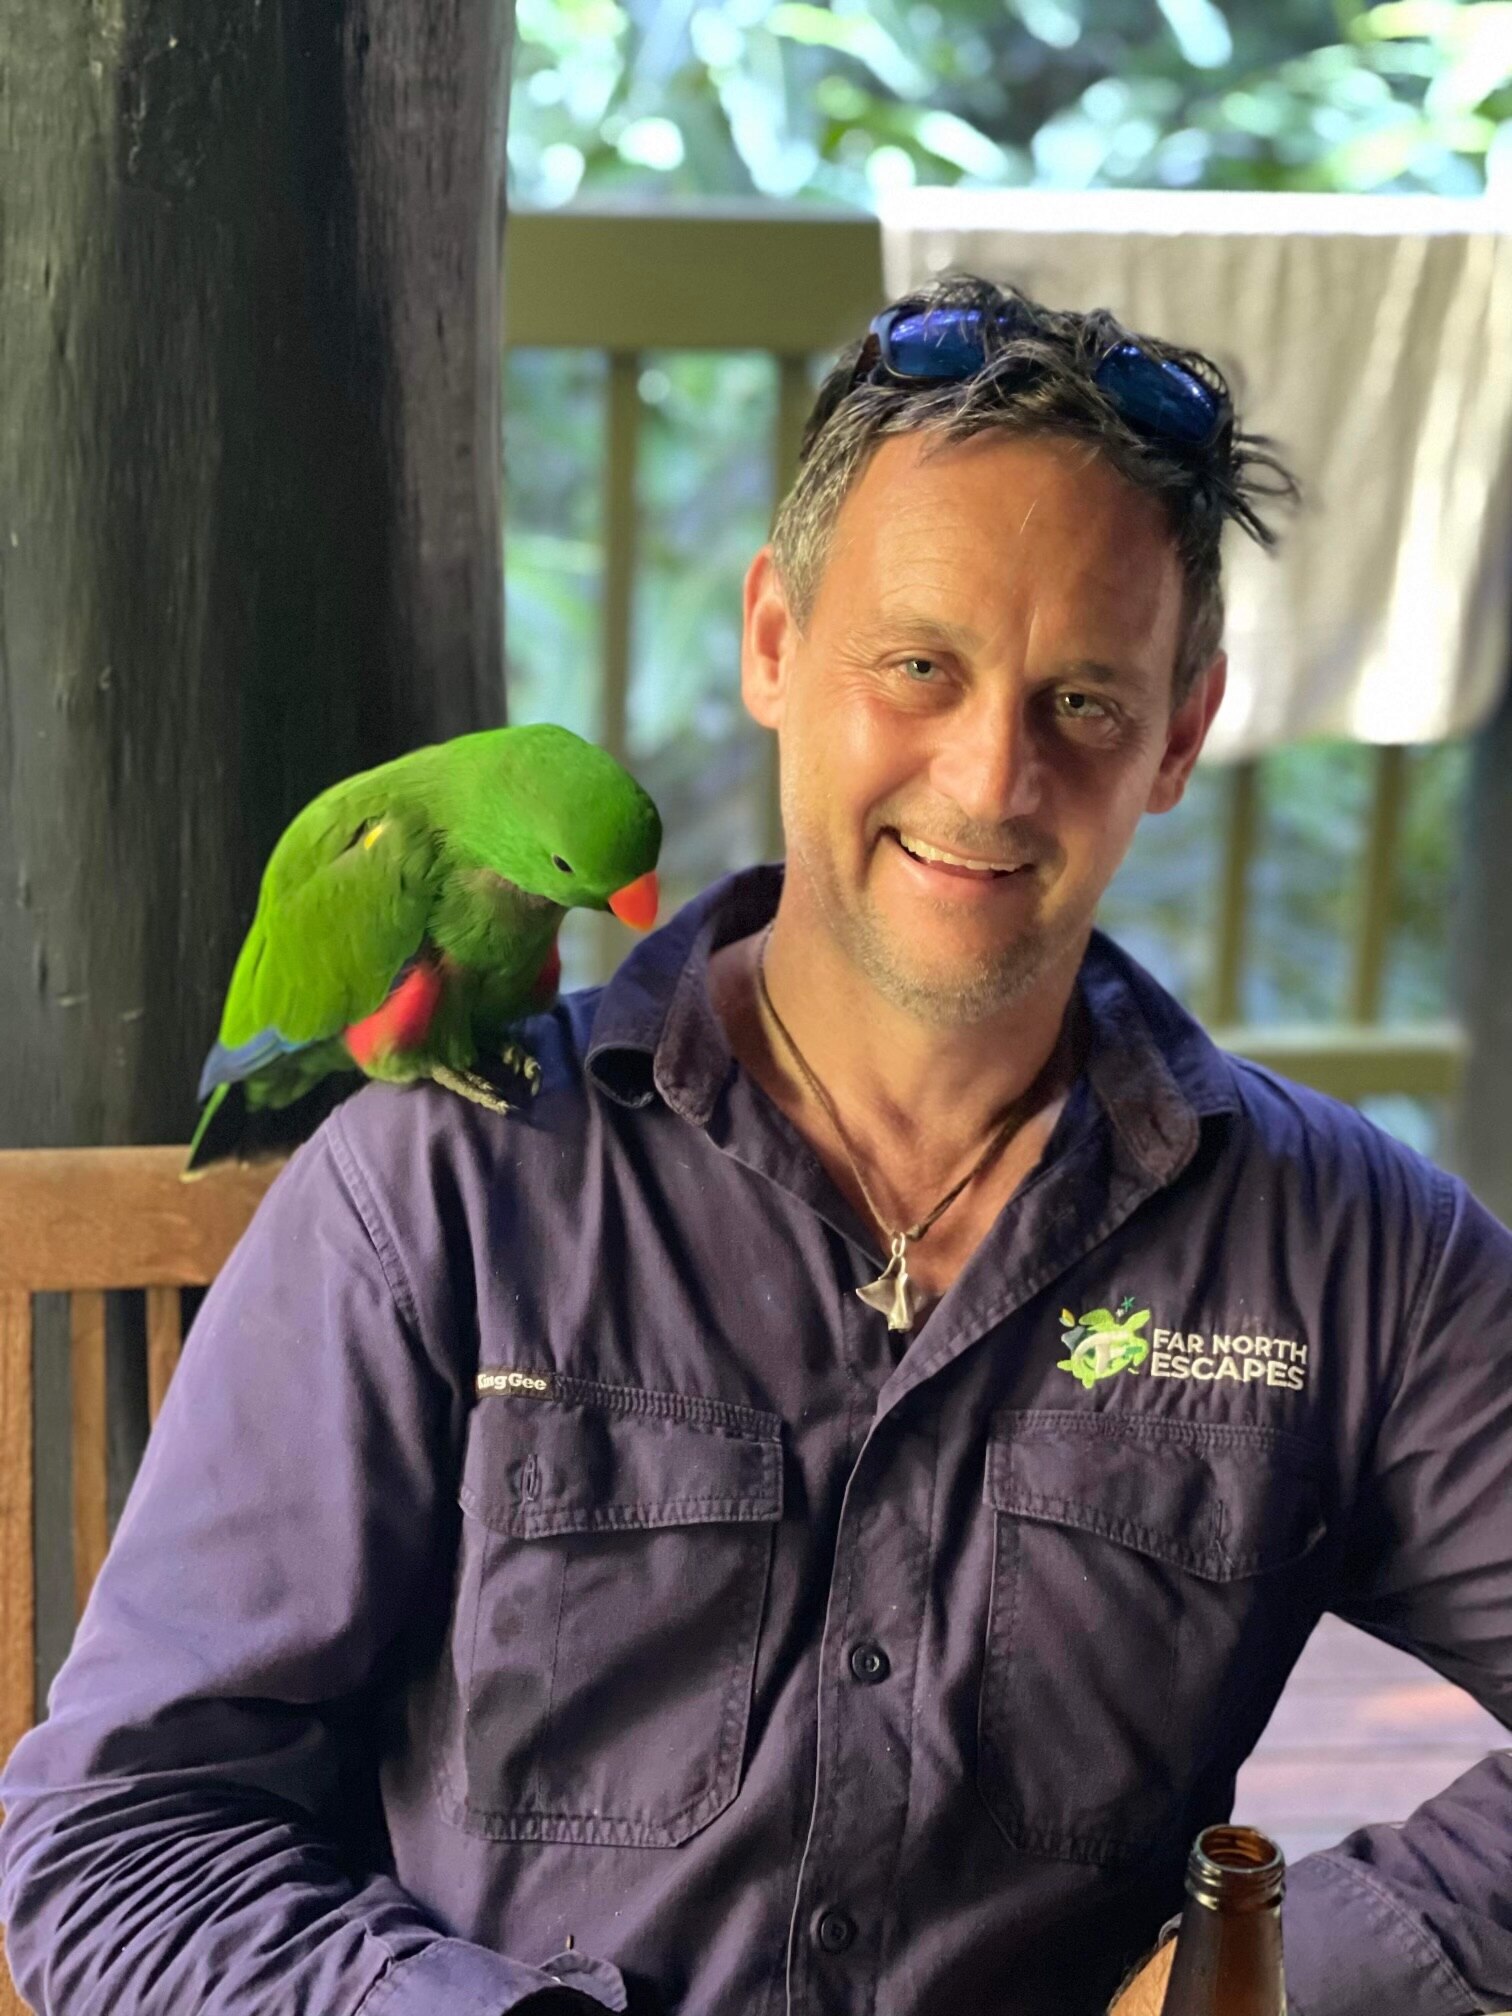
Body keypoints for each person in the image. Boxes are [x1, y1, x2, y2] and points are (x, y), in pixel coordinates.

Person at [3, 275, 1510, 2016]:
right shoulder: (440, 1196)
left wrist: (1254, 1982)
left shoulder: (1345, 1253)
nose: (990, 776)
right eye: (919, 667)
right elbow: (126, 1837)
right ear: (778, 644)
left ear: (1180, 733)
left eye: (1084, 702)